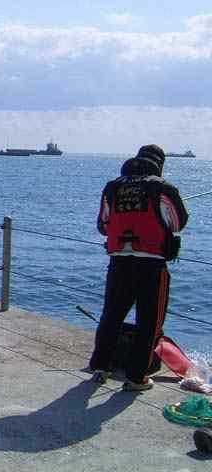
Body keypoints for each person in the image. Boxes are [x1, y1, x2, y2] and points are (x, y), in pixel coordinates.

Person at [90, 144, 188, 391]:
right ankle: (137, 377)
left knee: (111, 314)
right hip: (151, 265)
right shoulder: (163, 188)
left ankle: (100, 366)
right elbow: (177, 223)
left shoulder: (113, 187)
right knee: (149, 321)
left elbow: (103, 224)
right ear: (159, 164)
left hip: (119, 261)